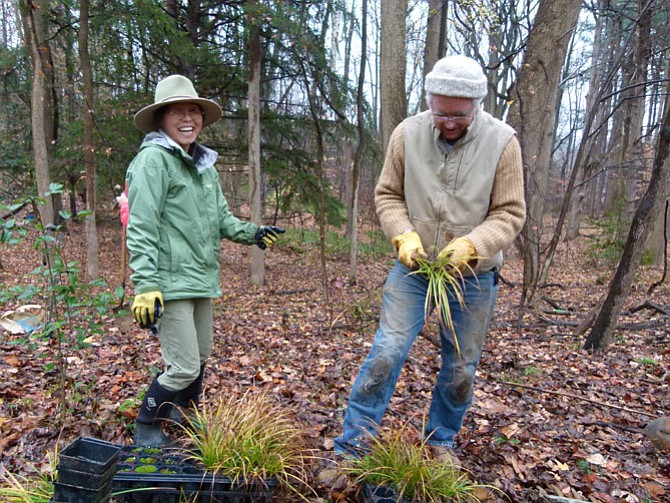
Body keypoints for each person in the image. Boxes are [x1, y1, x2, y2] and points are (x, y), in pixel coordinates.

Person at [332, 55, 526, 466]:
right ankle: (353, 445)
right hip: (414, 269)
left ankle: (440, 442)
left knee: (460, 368)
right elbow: (388, 195)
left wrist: (473, 245)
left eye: (459, 114)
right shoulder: (408, 134)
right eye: (440, 112)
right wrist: (403, 235)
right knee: (387, 350)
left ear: (477, 104)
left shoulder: (503, 142)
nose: (449, 122)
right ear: (429, 100)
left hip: (473, 277)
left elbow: (510, 213)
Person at [125, 74, 284, 447]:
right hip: (169, 280)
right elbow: (142, 226)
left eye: (194, 111)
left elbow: (221, 219)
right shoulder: (153, 162)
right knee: (181, 366)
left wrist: (253, 233)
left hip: (200, 277)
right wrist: (146, 285)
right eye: (179, 111)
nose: (188, 118)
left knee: (200, 355)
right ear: (162, 117)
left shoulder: (203, 165)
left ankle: (186, 412)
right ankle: (146, 425)